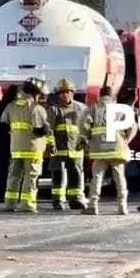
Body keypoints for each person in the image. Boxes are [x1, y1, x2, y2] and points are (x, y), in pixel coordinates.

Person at [82, 86, 137, 215]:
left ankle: (92, 206)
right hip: (116, 149)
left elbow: (83, 124)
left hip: (99, 149)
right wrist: (126, 140)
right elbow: (133, 127)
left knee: (97, 177)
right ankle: (122, 206)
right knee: (119, 177)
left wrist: (87, 137)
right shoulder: (121, 110)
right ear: (113, 96)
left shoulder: (93, 109)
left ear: (100, 96)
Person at [0, 77, 51, 213]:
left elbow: (3, 125)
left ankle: (10, 203)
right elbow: (41, 130)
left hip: (15, 149)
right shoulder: (36, 108)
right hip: (33, 149)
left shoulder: (11, 106)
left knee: (14, 175)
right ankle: (27, 204)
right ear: (36, 93)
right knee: (30, 176)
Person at [47, 78, 89, 211]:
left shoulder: (81, 108)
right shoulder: (53, 110)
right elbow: (49, 129)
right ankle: (58, 200)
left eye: (67, 92)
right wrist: (51, 144)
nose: (65, 95)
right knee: (58, 174)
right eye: (62, 93)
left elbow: (87, 126)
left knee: (76, 174)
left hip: (76, 148)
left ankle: (75, 199)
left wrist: (85, 141)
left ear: (72, 93)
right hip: (58, 149)